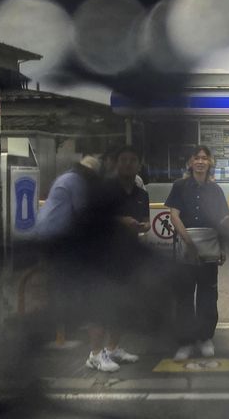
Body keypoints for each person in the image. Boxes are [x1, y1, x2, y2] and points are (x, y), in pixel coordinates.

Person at [35, 155, 137, 373]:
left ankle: (110, 347)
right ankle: (96, 354)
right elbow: (88, 215)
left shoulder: (70, 179)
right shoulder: (76, 182)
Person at [165, 145, 229, 361]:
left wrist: (222, 247)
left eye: (204, 158)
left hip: (210, 249)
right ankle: (185, 342)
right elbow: (174, 216)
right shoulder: (179, 186)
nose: (200, 162)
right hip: (185, 249)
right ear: (190, 162)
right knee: (184, 297)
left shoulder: (215, 189)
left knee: (208, 297)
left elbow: (221, 220)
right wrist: (189, 243)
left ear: (210, 162)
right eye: (196, 158)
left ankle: (205, 338)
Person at [90, 145, 151, 370]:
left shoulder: (141, 194)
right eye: (123, 160)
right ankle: (95, 354)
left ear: (138, 165)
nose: (128, 164)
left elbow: (146, 220)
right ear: (116, 163)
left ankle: (113, 348)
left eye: (132, 160)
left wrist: (144, 224)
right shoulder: (103, 190)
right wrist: (120, 221)